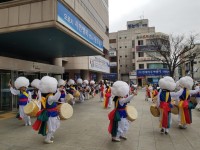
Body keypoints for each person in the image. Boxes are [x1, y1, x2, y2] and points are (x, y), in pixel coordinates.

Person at [32, 76, 62, 144]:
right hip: (51, 115)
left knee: (54, 125)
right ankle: (47, 139)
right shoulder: (50, 97)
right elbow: (56, 98)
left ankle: (49, 136)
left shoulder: (49, 96)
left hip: (52, 114)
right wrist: (59, 91)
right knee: (52, 128)